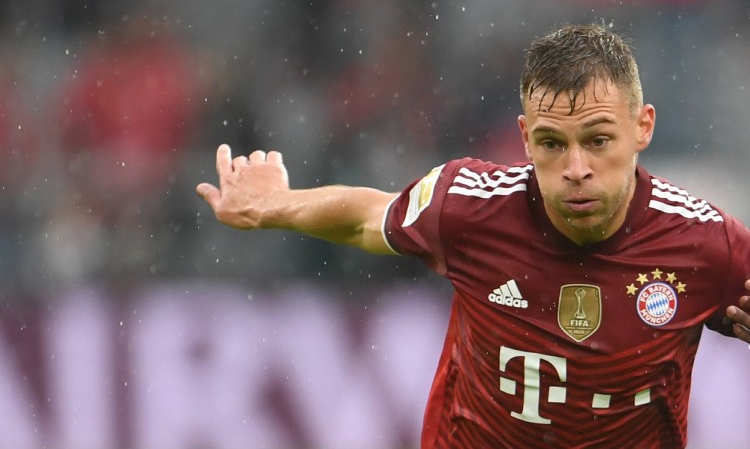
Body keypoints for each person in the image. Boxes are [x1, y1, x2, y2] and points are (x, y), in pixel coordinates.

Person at [196, 23, 750, 448]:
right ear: (525, 138)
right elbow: (368, 217)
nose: (576, 168)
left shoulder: (706, 244)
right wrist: (275, 205)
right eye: (552, 144)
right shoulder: (467, 206)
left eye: (598, 140)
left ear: (642, 127)